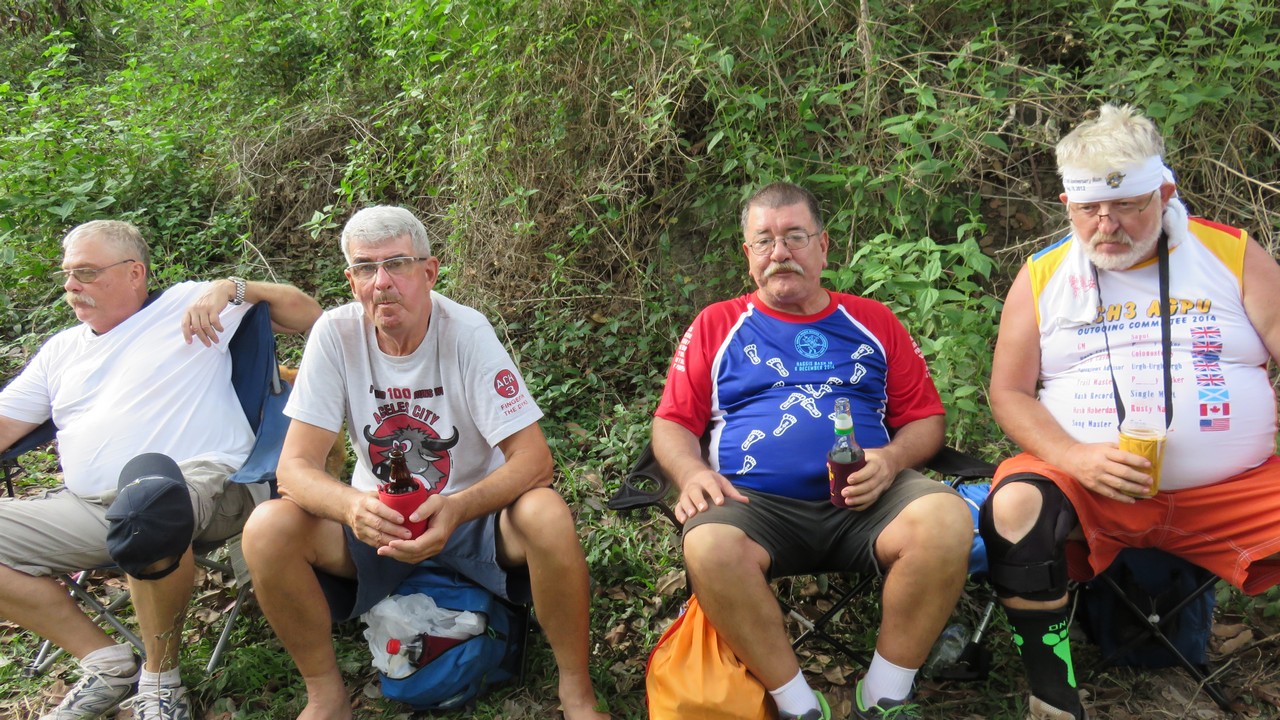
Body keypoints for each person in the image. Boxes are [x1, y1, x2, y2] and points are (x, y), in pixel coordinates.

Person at [240, 205, 610, 720]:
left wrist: (457, 508)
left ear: (429, 272)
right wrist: (351, 508)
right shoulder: (334, 334)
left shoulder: (466, 332)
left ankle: (577, 691)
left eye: (397, 264)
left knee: (546, 513)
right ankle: (325, 695)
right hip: (378, 520)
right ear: (351, 281)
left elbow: (534, 460)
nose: (382, 282)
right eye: (366, 268)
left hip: (472, 517)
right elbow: (294, 468)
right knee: (266, 528)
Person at [981, 103, 1280, 720]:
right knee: (1015, 504)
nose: (1106, 224)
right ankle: (1053, 695)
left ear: (1164, 193)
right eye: (1088, 208)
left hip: (1234, 489)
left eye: (1126, 205)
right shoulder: (1041, 275)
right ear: (1066, 203)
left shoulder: (1229, 254)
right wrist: (1072, 457)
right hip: (1093, 487)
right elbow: (1008, 392)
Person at [650, 182, 974, 719]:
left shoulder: (873, 321)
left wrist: (891, 460)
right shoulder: (717, 324)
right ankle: (799, 707)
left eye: (795, 237)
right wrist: (689, 472)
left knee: (946, 517)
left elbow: (925, 419)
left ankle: (885, 697)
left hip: (870, 500)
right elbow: (671, 423)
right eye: (764, 241)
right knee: (708, 544)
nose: (780, 253)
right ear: (748, 254)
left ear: (823, 246)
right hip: (754, 506)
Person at [0, 219, 322, 720]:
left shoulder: (187, 304)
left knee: (146, 506)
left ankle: (160, 680)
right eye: (67, 274)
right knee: (134, 510)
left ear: (134, 273)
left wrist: (233, 288)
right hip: (88, 506)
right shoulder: (60, 351)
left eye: (86, 272)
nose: (71, 286)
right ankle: (105, 663)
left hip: (201, 486)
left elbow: (308, 315)